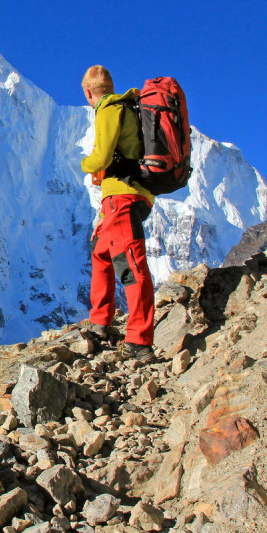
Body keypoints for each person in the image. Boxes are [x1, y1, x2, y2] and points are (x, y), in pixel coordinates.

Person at [80, 65, 156, 361]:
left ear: (88, 92)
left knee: (132, 265)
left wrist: (85, 163)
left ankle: (140, 340)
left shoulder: (108, 109)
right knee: (101, 254)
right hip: (133, 196)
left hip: (121, 198)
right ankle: (100, 322)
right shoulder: (129, 108)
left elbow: (100, 157)